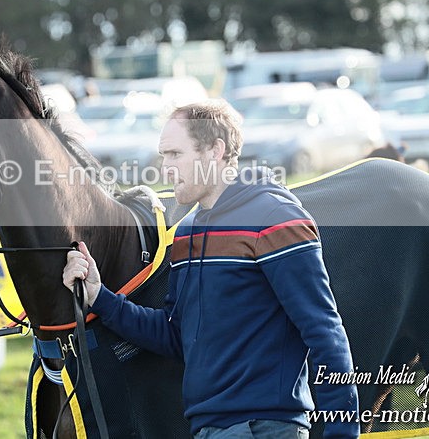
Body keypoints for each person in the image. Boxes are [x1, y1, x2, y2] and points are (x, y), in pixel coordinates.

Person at [63, 100, 359, 438]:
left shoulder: (274, 219)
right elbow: (176, 336)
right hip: (206, 428)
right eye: (163, 156)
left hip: (264, 428)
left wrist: (342, 433)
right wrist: (100, 297)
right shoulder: (187, 233)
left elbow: (325, 333)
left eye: (175, 154)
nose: (166, 168)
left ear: (215, 151)